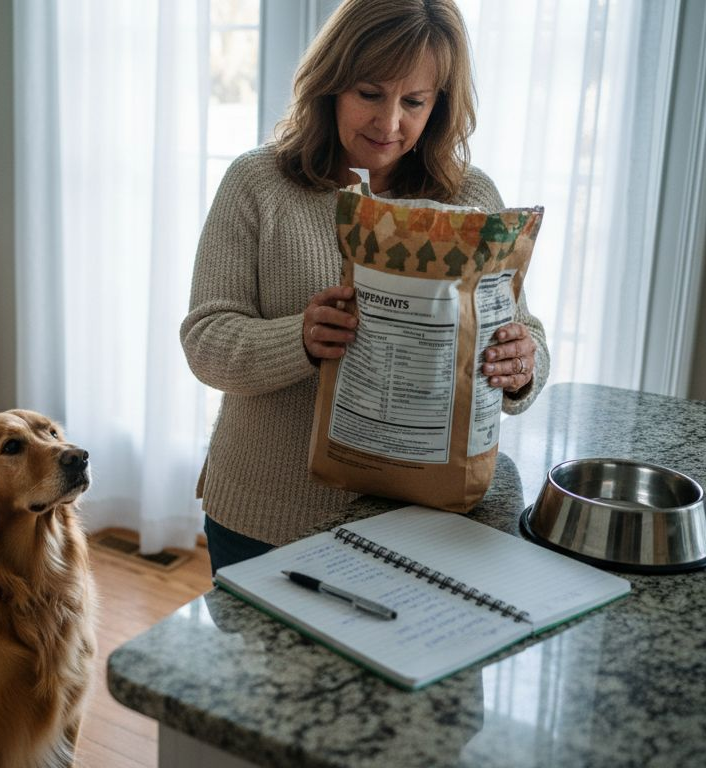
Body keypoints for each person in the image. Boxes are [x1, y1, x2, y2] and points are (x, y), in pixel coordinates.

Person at [181, 0, 549, 574]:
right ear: (329, 86)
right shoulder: (257, 183)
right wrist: (301, 341)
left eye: (415, 102)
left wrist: (522, 364)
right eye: (370, 93)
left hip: (425, 521)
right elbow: (206, 340)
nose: (390, 122)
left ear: (440, 105)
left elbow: (526, 332)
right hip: (265, 519)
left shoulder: (470, 196)